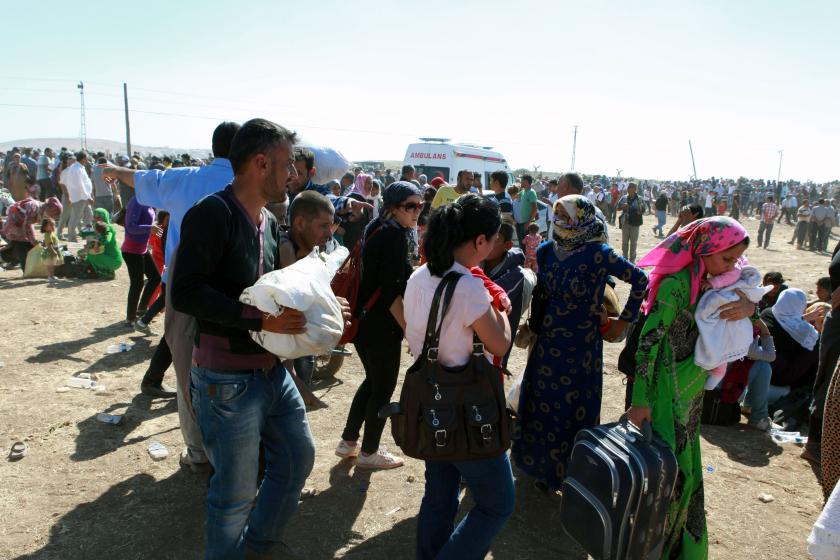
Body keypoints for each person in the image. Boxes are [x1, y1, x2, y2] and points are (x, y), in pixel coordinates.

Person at [171, 118, 318, 559]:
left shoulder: (269, 223)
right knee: (233, 497)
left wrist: (313, 310)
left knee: (296, 460)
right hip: (226, 381)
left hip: (273, 372)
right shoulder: (212, 214)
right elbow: (186, 292)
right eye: (287, 164)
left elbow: (268, 292)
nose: (293, 174)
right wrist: (256, 319)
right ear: (260, 163)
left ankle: (255, 547)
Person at [102, 121, 240, 473]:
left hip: (185, 290)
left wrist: (117, 170)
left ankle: (197, 451)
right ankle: (230, 448)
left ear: (214, 148)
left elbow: (145, 179)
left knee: (186, 370)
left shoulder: (186, 179)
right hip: (236, 293)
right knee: (232, 368)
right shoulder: (247, 184)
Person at [628, 216, 755, 559]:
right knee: (668, 476)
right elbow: (647, 344)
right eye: (727, 258)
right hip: (665, 397)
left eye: (735, 260)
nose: (733, 266)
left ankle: (674, 549)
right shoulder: (677, 286)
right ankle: (655, 548)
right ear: (705, 249)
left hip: (691, 398)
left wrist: (751, 306)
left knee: (683, 472)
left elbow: (748, 308)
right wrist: (639, 401)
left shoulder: (715, 281)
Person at [403, 193, 513, 559]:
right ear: (479, 241)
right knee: (498, 503)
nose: (495, 244)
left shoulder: (419, 275)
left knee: (439, 495)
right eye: (493, 238)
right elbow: (499, 344)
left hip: (432, 404)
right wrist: (501, 308)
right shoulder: (468, 286)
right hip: (467, 410)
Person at [513, 195, 648, 491]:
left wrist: (623, 321)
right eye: (557, 213)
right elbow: (542, 294)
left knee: (573, 407)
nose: (561, 219)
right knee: (543, 403)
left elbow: (640, 280)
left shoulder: (599, 253)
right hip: (547, 342)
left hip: (581, 346)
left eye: (567, 214)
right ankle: (540, 468)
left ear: (583, 217)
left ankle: (571, 471)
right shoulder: (547, 250)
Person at [337, 181, 422, 469]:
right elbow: (390, 293)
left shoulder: (376, 227)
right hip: (381, 326)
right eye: (410, 206)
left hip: (364, 320)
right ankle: (369, 452)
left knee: (372, 381)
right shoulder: (394, 237)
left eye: (419, 205)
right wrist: (411, 331)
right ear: (394, 207)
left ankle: (349, 441)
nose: (416, 211)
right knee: (383, 387)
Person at [760, 288, 820, 423]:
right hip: (781, 380)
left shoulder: (767, 314)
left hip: (758, 369)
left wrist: (802, 319)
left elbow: (786, 321)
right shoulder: (808, 333)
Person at [481, 223, 529, 367]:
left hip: (494, 351)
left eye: (496, 239)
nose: (488, 242)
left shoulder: (516, 274)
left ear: (507, 245)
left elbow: (484, 301)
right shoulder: (479, 264)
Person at [121, 197, 161, 326]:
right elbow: (130, 227)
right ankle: (130, 318)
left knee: (155, 278)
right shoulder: (136, 201)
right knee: (137, 284)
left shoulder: (150, 201)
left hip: (142, 249)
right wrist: (149, 228)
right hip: (131, 250)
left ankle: (141, 310)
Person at [738, 318, 783, 431]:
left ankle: (748, 406)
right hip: (717, 394)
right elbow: (770, 356)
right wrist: (765, 329)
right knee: (763, 367)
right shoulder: (739, 327)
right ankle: (759, 417)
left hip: (717, 385)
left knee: (758, 364)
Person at [59, 152, 94, 242]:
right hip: (80, 197)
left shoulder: (80, 168)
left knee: (89, 216)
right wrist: (88, 196)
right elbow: (80, 184)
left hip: (83, 196)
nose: (87, 160)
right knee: (75, 218)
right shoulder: (76, 169)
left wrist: (87, 195)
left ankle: (89, 237)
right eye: (86, 159)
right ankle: (71, 237)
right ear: (82, 159)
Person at [84, 209, 123, 280]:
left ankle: (106, 274)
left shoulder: (108, 228)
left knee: (91, 256)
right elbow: (84, 233)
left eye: (98, 217)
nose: (96, 219)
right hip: (105, 256)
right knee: (85, 257)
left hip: (114, 260)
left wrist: (96, 242)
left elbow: (107, 239)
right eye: (94, 217)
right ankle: (98, 271)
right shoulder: (97, 227)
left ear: (104, 217)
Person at [618, 182, 644, 261]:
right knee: (624, 242)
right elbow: (617, 208)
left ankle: (632, 260)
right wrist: (623, 207)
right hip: (625, 222)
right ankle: (624, 259)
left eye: (631, 188)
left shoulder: (640, 199)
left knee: (633, 242)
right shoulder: (624, 198)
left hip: (635, 223)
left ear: (635, 189)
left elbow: (643, 210)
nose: (629, 189)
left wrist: (637, 210)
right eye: (629, 188)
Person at [514, 174, 538, 249]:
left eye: (522, 181)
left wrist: (528, 223)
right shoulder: (523, 191)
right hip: (520, 223)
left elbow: (535, 209)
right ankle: (524, 260)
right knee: (522, 245)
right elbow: (514, 197)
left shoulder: (531, 192)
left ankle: (526, 260)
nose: (521, 182)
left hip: (526, 224)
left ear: (527, 182)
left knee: (526, 246)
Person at [40, 217, 61, 283]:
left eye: (53, 225)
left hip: (52, 251)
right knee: (50, 266)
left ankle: (52, 276)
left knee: (52, 265)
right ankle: (50, 276)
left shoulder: (51, 233)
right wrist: (53, 251)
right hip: (50, 253)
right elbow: (49, 244)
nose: (53, 226)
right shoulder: (48, 235)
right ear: (45, 227)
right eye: (51, 225)